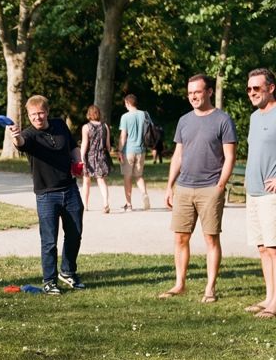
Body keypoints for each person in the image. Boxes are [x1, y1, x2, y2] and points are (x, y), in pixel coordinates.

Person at [160, 74, 237, 302]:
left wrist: (220, 186)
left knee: (211, 239)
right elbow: (178, 155)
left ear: (209, 92)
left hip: (210, 188)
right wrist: (169, 186)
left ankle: (210, 288)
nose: (193, 96)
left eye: (197, 91)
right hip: (184, 188)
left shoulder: (223, 120)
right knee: (180, 238)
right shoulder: (184, 120)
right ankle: (179, 284)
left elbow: (230, 156)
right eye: (190, 93)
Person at [10, 95, 85, 294]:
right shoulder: (29, 135)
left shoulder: (59, 125)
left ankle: (68, 272)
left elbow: (73, 146)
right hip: (46, 195)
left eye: (41, 113)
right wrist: (15, 136)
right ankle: (49, 281)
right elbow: (21, 143)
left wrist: (78, 162)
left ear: (47, 112)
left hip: (70, 190)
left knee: (75, 234)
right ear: (28, 115)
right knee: (49, 241)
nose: (38, 117)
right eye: (33, 115)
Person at [243, 67, 276, 318]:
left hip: (271, 195)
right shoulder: (254, 117)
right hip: (253, 192)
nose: (252, 92)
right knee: (263, 247)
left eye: (257, 88)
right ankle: (269, 297)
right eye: (249, 89)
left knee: (274, 249)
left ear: (271, 88)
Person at [117, 94, 151, 211]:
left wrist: (119, 150)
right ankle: (144, 194)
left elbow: (123, 136)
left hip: (129, 151)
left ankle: (129, 204)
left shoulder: (125, 117)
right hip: (141, 150)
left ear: (128, 103)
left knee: (127, 177)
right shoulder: (144, 114)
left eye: (125, 103)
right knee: (139, 176)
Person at [80, 104, 111, 213]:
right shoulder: (105, 126)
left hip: (89, 156)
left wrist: (82, 158)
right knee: (101, 180)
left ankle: (85, 205)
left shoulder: (86, 127)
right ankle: (106, 203)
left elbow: (84, 144)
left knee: (86, 181)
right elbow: (108, 145)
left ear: (89, 114)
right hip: (102, 156)